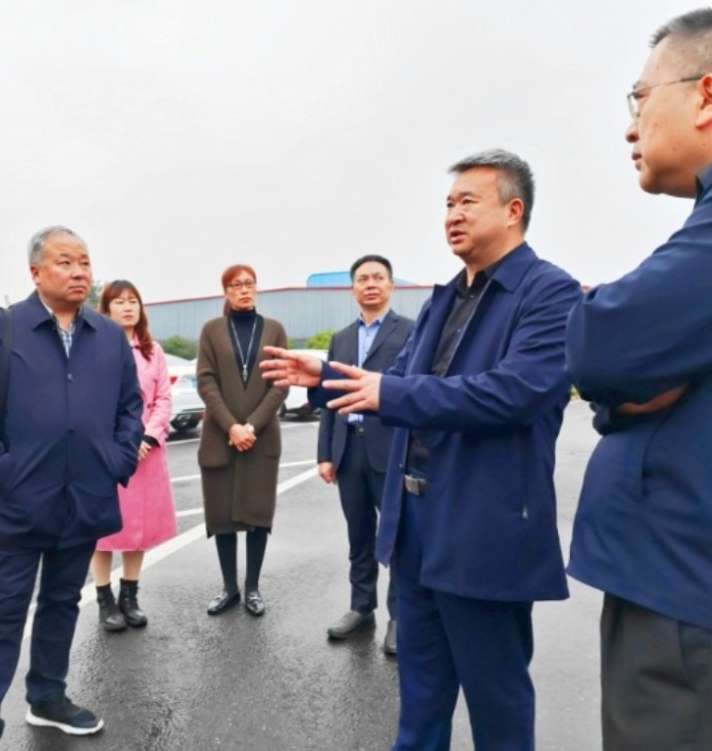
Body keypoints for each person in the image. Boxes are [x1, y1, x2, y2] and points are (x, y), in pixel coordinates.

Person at [263, 150, 581, 750]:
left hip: (483, 530)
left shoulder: (548, 293)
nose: (452, 215)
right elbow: (399, 382)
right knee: (420, 701)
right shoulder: (443, 299)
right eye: (448, 204)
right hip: (416, 529)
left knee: (497, 707)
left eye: (468, 202)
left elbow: (515, 393)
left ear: (514, 210)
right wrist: (326, 373)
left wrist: (390, 392)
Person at [566, 8, 712, 750]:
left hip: (703, 613)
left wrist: (617, 385)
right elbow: (627, 364)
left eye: (640, 99)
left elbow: (601, 344)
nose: (630, 127)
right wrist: (624, 398)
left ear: (707, 95)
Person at [0, 227, 143, 749]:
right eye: (65, 262)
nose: (79, 271)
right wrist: (1, 472)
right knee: (4, 611)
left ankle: (48, 697)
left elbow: (130, 408)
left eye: (85, 262)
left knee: (63, 603)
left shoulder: (108, 336)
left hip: (86, 497)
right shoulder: (1, 329)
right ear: (35, 271)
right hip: (20, 501)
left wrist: (115, 461)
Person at [318, 254, 413, 654]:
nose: (370, 284)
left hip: (391, 449)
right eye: (362, 279)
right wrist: (325, 454)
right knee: (358, 535)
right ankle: (361, 608)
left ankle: (400, 617)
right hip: (348, 450)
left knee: (397, 538)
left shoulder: (410, 331)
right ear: (352, 288)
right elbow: (329, 399)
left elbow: (416, 391)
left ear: (390, 285)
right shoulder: (341, 338)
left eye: (378, 277)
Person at [196, 264, 288, 617]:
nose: (244, 290)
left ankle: (252, 588)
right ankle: (229, 588)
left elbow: (280, 384)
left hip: (260, 439)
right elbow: (206, 382)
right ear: (226, 291)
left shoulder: (274, 329)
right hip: (220, 437)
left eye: (249, 284)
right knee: (221, 516)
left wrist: (251, 426)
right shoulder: (212, 330)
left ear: (257, 288)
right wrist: (231, 426)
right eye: (236, 285)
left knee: (258, 514)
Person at [91, 279, 178, 631]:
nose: (128, 307)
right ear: (106, 309)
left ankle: (130, 595)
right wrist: (123, 441)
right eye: (119, 302)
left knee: (137, 527)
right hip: (109, 453)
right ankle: (104, 598)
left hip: (147, 452)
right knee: (102, 531)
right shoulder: (94, 349)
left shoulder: (152, 351)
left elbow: (163, 399)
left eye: (133, 301)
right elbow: (93, 402)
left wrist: (149, 435)